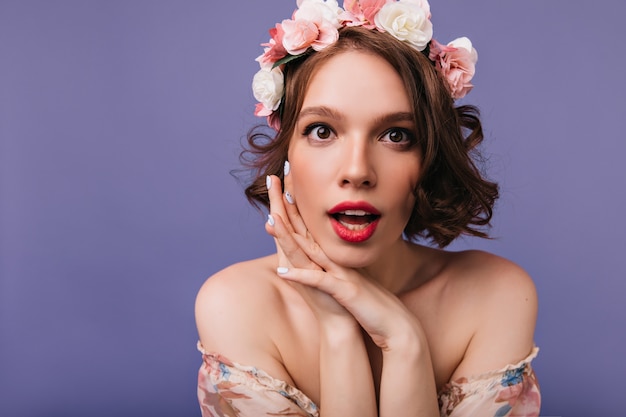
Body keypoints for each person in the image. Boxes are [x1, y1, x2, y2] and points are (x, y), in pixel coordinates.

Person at [195, 1, 541, 416]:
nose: (357, 171)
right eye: (322, 131)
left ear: (429, 158)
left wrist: (404, 339)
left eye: (396, 135)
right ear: (287, 155)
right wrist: (338, 329)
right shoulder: (235, 305)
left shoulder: (494, 295)